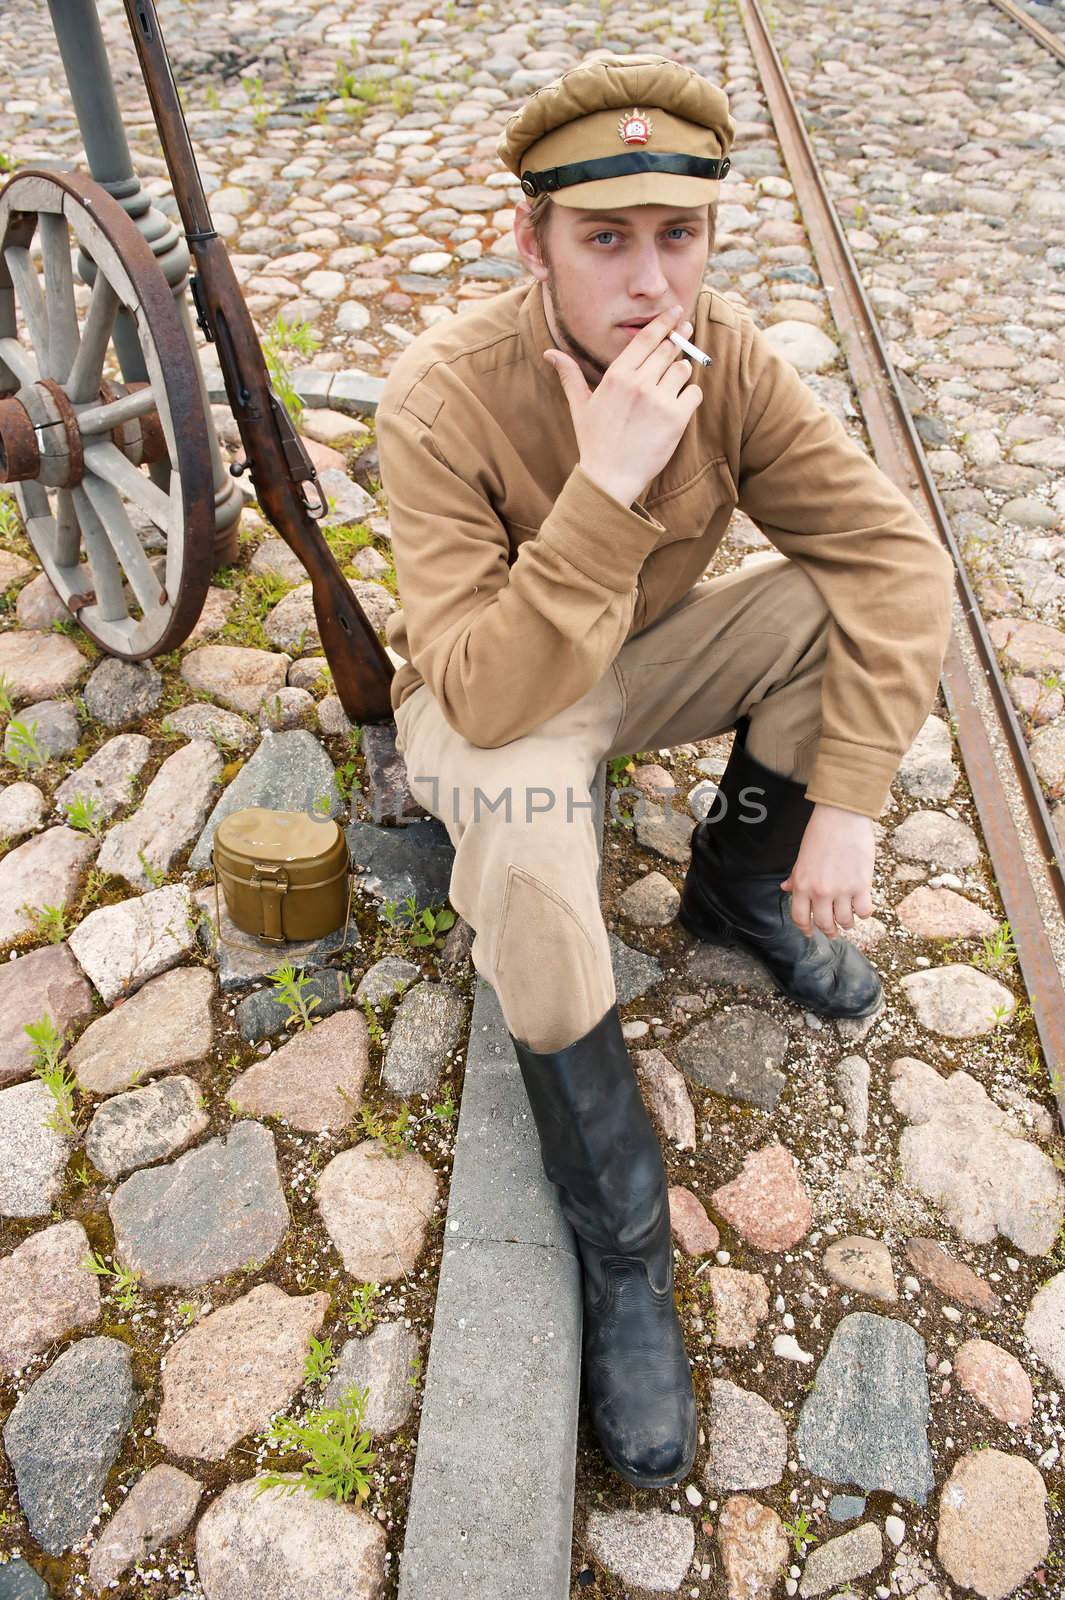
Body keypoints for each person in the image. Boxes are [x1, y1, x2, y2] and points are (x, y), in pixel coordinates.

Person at [375, 53, 954, 1490]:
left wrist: (848, 804)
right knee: (529, 874)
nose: (648, 284)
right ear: (533, 241)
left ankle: (736, 894)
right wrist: (604, 482)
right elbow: (496, 689)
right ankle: (622, 1250)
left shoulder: (731, 357)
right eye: (605, 238)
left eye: (677, 236)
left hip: (632, 663)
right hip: (493, 694)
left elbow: (894, 559)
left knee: (834, 606)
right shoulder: (444, 396)